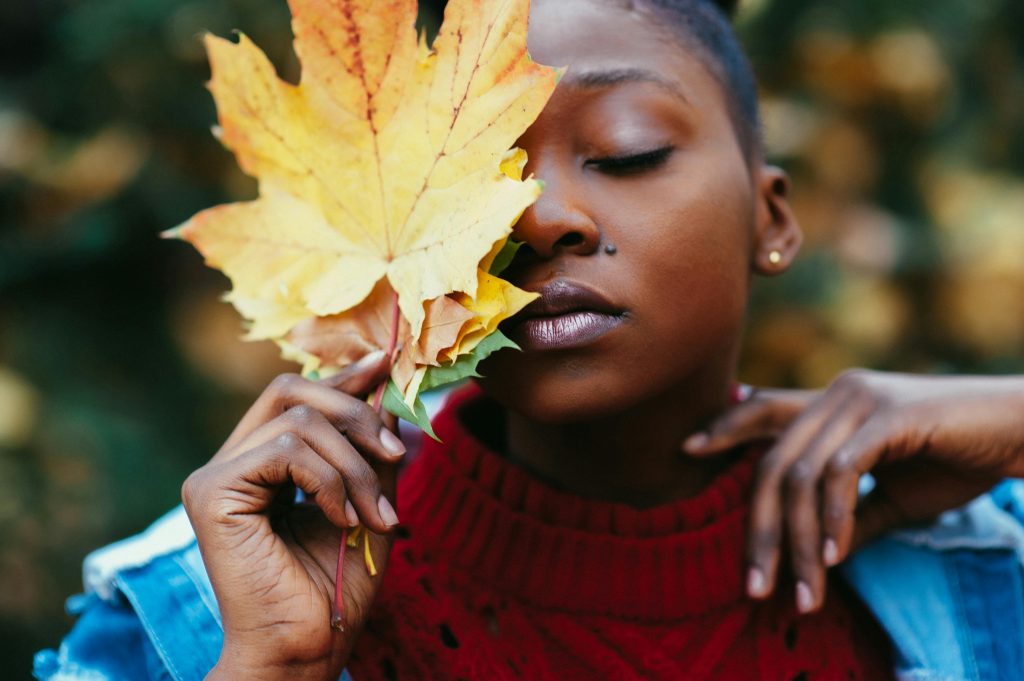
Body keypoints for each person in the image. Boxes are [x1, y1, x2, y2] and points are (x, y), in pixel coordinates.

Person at [34, 0, 1024, 679]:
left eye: (625, 149)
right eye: (476, 175)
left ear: (771, 220)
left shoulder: (982, 548)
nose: (539, 216)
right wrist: (269, 666)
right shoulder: (197, 604)